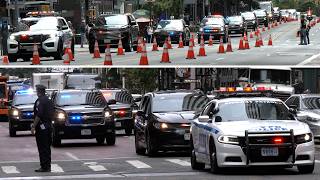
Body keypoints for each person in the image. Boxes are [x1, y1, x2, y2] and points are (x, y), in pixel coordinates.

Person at [31, 85, 54, 172]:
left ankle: (44, 166)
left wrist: (33, 126)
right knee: (47, 147)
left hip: (41, 128)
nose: (36, 92)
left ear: (39, 91)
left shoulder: (40, 101)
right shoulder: (49, 100)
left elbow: (39, 115)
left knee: (42, 147)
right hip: (49, 126)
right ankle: (48, 165)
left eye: (37, 91)